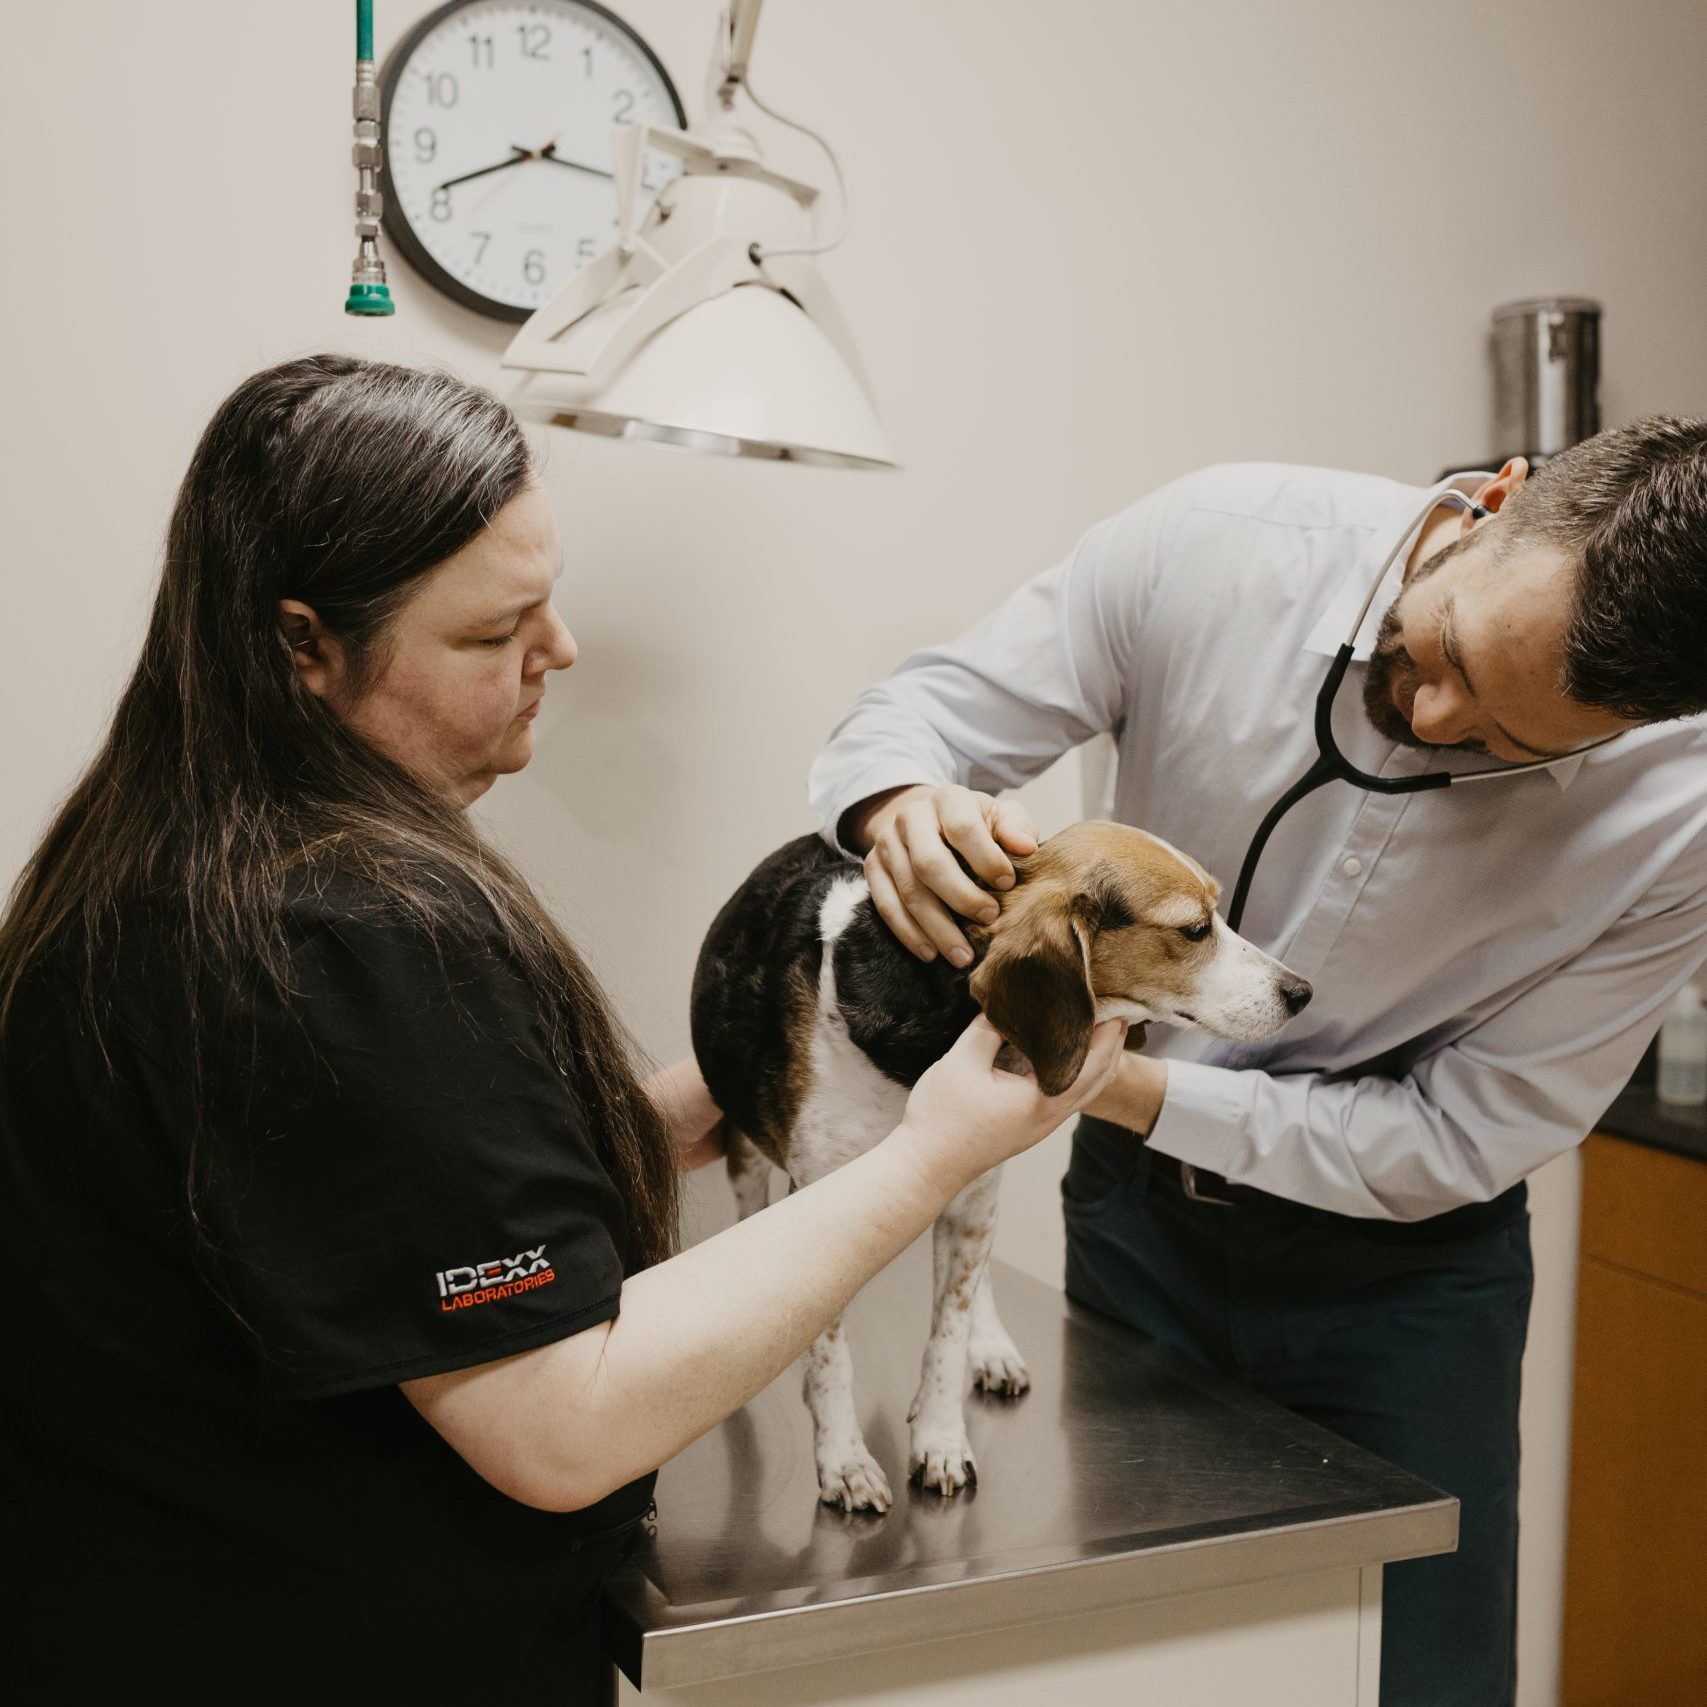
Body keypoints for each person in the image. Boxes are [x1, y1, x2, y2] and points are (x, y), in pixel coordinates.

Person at [0, 354, 1126, 1705]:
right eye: (491, 633)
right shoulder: (344, 931)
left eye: (550, 601)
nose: (560, 651)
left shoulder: (171, 848)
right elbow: (560, 1424)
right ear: (301, 643)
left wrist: (677, 1108)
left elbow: (366, 1212)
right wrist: (928, 1157)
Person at [807, 423, 1707, 1707]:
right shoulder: (1219, 547)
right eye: (1447, 652)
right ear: (1494, 501)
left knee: (1421, 1676)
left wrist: (1110, 1080)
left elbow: (1464, 1134)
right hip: (1138, 1232)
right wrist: (902, 806)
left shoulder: (1684, 810)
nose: (1434, 716)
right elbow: (918, 716)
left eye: (1515, 744)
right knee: (1144, 1664)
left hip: (1411, 1291)